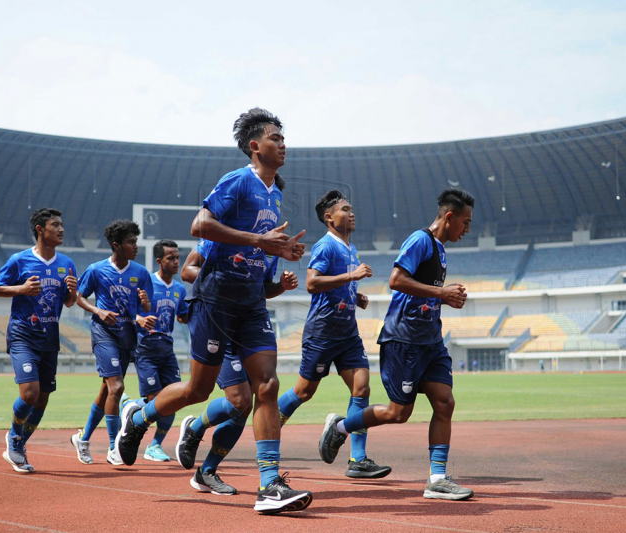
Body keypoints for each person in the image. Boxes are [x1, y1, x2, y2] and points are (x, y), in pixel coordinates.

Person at [116, 108, 312, 514]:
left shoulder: (275, 196)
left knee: (268, 386)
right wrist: (258, 241)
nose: (283, 143)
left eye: (284, 137)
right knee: (196, 391)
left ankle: (269, 484)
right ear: (254, 146)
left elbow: (261, 257)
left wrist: (282, 253)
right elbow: (199, 226)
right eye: (275, 137)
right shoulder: (237, 181)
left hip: (251, 305)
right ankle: (138, 420)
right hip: (215, 301)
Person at [319, 188, 475, 501]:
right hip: (403, 340)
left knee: (445, 402)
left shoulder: (441, 249)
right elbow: (396, 280)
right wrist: (442, 293)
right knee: (397, 413)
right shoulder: (420, 241)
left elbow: (424, 292)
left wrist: (446, 298)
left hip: (431, 341)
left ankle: (438, 479)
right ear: (448, 217)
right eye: (465, 222)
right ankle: (340, 428)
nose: (467, 229)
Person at [277, 190, 390, 479]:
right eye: (345, 209)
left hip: (347, 333)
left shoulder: (350, 249)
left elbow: (337, 286)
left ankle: (358, 459)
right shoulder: (326, 246)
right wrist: (351, 277)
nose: (351, 213)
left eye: (351, 209)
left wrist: (356, 296)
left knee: (362, 388)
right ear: (329, 218)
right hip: (323, 332)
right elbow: (313, 283)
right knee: (304, 391)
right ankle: (267, 426)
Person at [177, 231, 298, 496]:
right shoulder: (223, 233)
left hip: (248, 327)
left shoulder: (269, 251)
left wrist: (281, 286)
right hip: (218, 322)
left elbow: (261, 291)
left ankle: (207, 471)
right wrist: (228, 285)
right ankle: (193, 427)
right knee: (239, 401)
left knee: (251, 402)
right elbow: (187, 271)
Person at [0, 207, 78, 473]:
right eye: (56, 224)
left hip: (50, 338)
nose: (62, 229)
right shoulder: (19, 260)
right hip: (23, 334)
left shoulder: (67, 263)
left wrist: (73, 293)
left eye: (62, 224)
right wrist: (22, 289)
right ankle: (15, 439)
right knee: (29, 393)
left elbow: (69, 302)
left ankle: (17, 443)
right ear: (40, 230)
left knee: (42, 399)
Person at [70, 220, 153, 466]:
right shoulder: (96, 270)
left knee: (107, 391)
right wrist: (98, 311)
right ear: (117, 245)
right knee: (116, 388)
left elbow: (145, 308)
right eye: (131, 242)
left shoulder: (141, 273)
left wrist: (144, 308)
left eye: (136, 241)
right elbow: (79, 297)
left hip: (128, 336)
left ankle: (82, 439)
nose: (136, 246)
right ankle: (113, 446)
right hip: (104, 333)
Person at [127, 239, 189, 463]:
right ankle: (130, 407)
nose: (175, 261)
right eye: (170, 258)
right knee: (157, 399)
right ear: (159, 261)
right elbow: (128, 312)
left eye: (177, 257)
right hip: (145, 349)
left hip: (167, 350)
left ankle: (154, 445)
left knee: (174, 400)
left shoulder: (180, 289)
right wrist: (140, 319)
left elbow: (183, 315)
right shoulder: (145, 283)